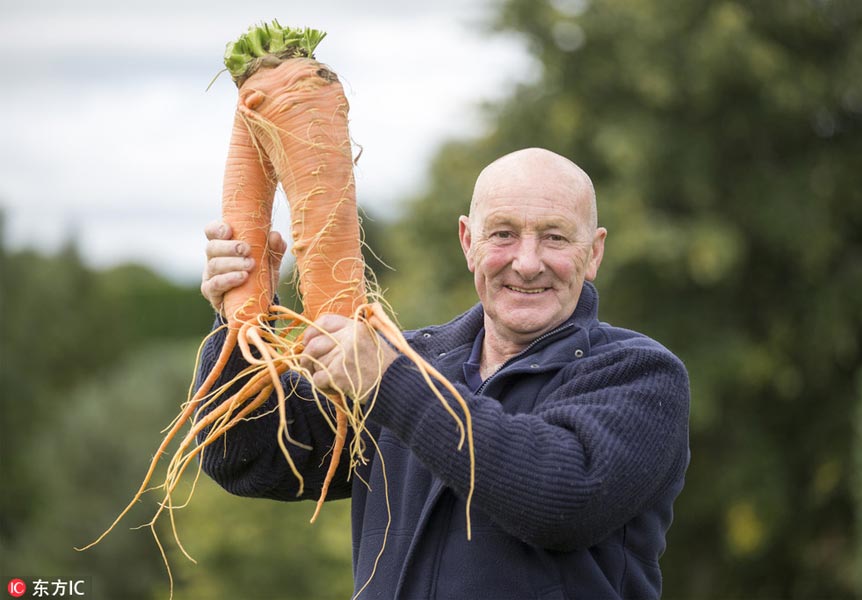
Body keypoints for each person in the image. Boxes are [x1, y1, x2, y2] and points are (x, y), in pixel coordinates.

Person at [198, 147, 690, 599]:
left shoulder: (639, 375)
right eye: (503, 234)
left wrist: (389, 383)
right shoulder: (408, 359)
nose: (527, 262)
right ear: (467, 241)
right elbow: (246, 459)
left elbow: (560, 500)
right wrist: (242, 313)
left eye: (555, 237)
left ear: (594, 253)